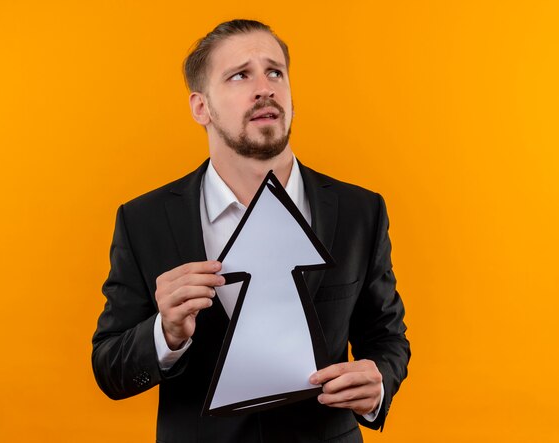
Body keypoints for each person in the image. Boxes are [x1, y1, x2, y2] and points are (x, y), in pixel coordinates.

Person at [92, 19, 410, 443]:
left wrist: (378, 383)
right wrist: (165, 332)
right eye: (240, 75)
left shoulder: (359, 211)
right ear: (201, 107)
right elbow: (110, 369)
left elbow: (386, 338)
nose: (266, 88)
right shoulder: (144, 221)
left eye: (274, 72)